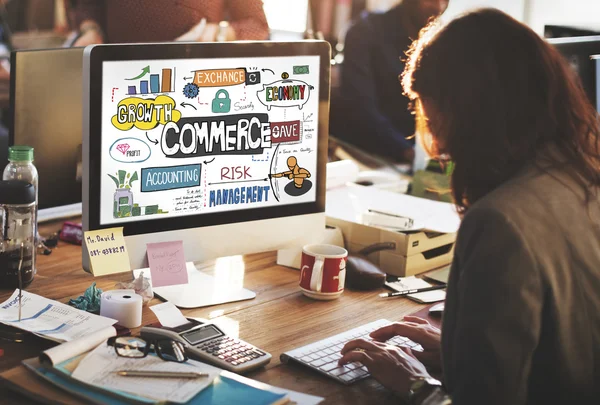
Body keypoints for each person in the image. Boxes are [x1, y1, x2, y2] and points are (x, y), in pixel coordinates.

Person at [338, 8, 600, 405]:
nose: (440, 148)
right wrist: (461, 354)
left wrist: (414, 384)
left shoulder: (500, 222)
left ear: (472, 115)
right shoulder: (583, 179)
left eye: (436, 121)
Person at [331, 0, 449, 162]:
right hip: (364, 157)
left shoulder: (439, 38)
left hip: (414, 158)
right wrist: (408, 151)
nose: (439, 7)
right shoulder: (365, 31)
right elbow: (360, 106)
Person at [65, 0, 269, 46]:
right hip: (114, 78)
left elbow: (258, 26)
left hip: (191, 84)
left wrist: (220, 33)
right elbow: (90, 5)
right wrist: (91, 28)